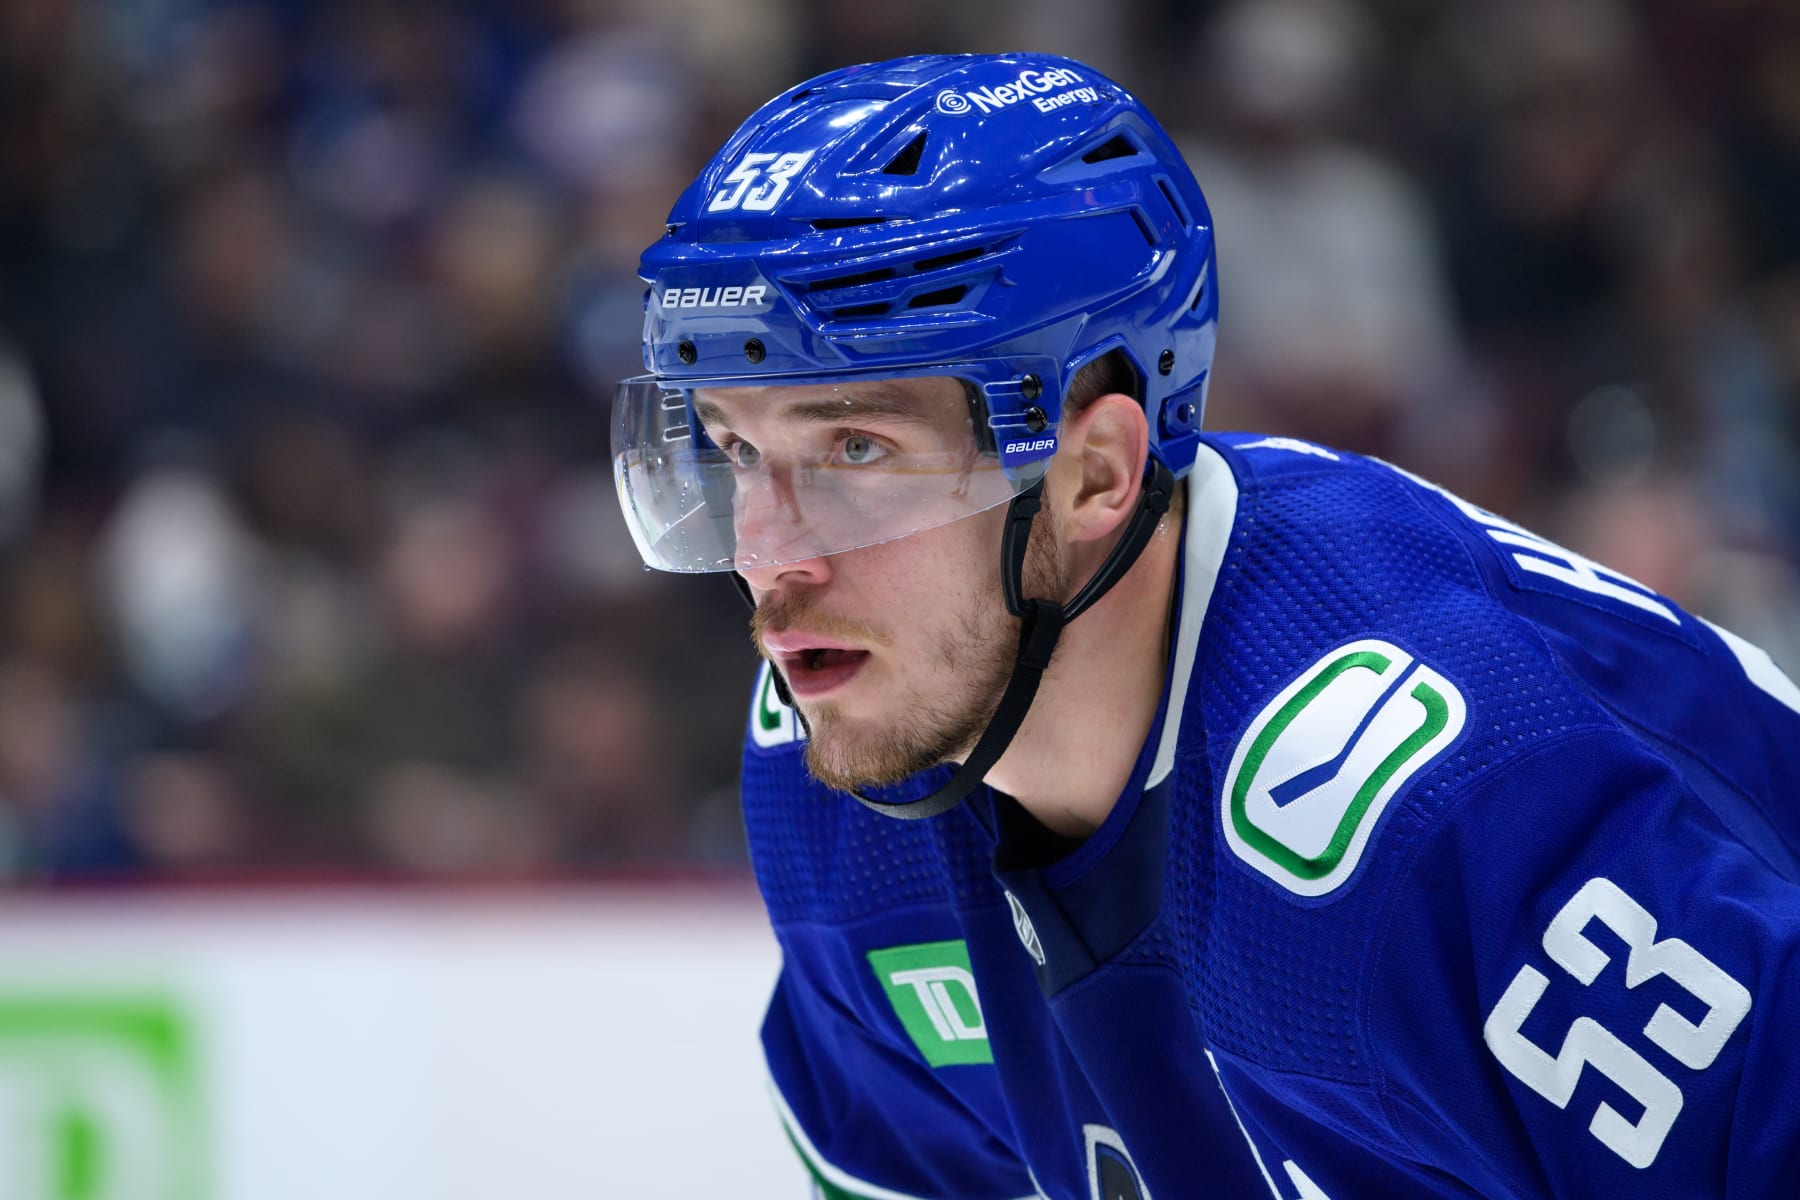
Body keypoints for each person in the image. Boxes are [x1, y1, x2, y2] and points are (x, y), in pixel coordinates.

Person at [610, 53, 1800, 1200]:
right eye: (736, 451)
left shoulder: (1438, 813)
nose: (769, 555)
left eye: (857, 451)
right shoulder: (842, 769)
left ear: (1095, 473)